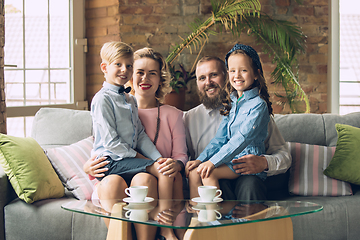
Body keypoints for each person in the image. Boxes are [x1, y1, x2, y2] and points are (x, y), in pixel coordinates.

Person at [85, 45, 187, 240]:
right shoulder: (103, 100)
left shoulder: (129, 102)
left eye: (152, 74)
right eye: (139, 72)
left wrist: (160, 160)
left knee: (158, 171)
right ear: (105, 68)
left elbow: (141, 136)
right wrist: (87, 166)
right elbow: (106, 143)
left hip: (140, 174)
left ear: (160, 79)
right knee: (126, 180)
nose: (145, 78)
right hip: (115, 166)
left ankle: (163, 225)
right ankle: (157, 223)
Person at [184, 55, 291, 201]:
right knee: (203, 174)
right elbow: (217, 141)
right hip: (217, 174)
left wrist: (264, 163)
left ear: (225, 76)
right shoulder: (189, 118)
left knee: (250, 184)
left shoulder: (256, 110)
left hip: (245, 174)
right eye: (202, 78)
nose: (208, 82)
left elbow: (284, 156)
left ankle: (240, 223)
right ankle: (202, 220)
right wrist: (200, 161)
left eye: (214, 75)